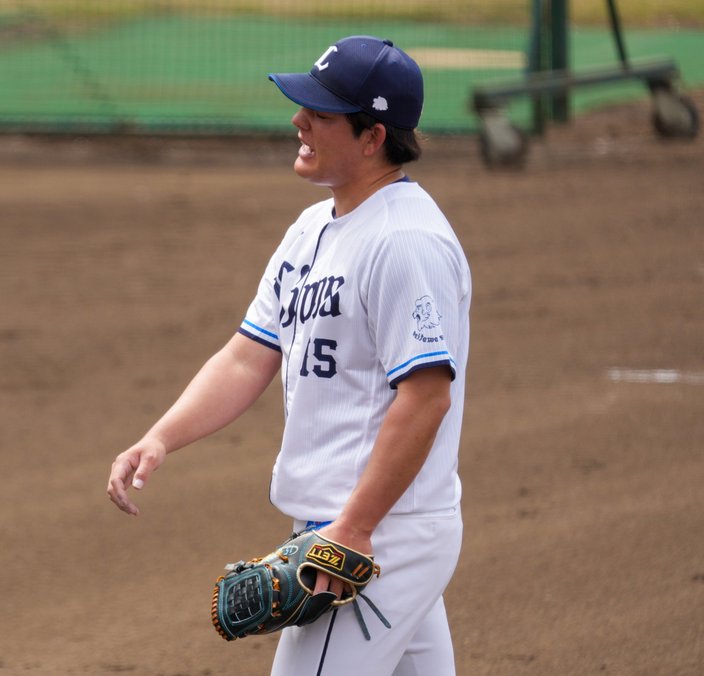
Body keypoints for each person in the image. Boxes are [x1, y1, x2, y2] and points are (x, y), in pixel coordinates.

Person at [107, 36, 471, 675]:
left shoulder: (404, 241)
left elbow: (427, 396)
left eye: (321, 113)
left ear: (372, 135)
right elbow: (250, 354)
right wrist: (161, 437)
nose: (298, 121)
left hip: (376, 532)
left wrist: (353, 528)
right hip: (366, 526)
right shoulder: (311, 229)